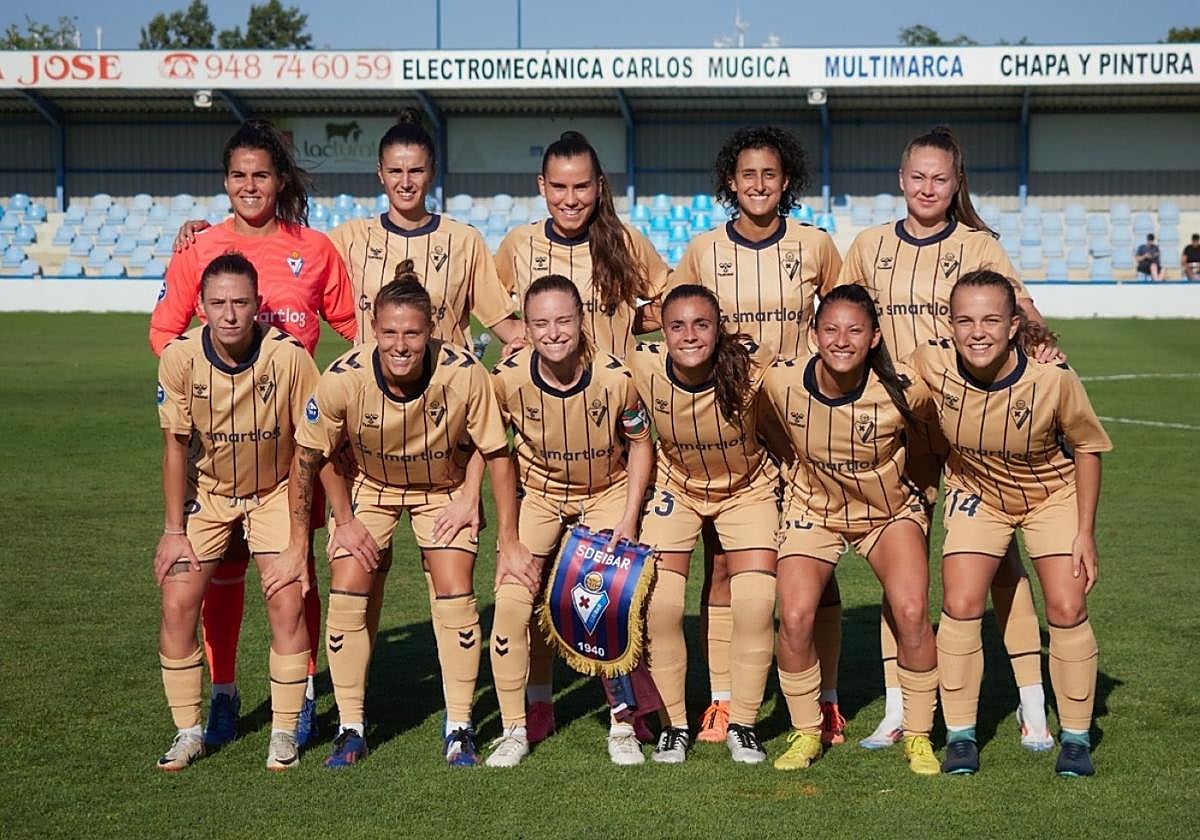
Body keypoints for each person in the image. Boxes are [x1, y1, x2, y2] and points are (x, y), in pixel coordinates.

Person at [838, 126, 1058, 751]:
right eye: (918, 177)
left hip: (970, 433)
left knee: (999, 569)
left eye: (941, 177)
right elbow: (841, 320)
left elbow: (1024, 314)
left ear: (956, 183)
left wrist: (1048, 353)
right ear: (901, 180)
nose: (928, 187)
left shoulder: (979, 244)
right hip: (889, 434)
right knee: (902, 575)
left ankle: (1032, 701)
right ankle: (901, 707)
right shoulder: (870, 245)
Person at [150, 119, 356, 751]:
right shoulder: (200, 246)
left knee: (295, 574)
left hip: (294, 444)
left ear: (279, 179)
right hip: (218, 450)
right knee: (219, 574)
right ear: (225, 180)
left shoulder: (314, 248)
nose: (249, 185)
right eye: (238, 175)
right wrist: (208, 390)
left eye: (260, 174)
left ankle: (304, 691)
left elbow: (356, 330)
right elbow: (166, 333)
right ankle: (223, 694)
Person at [287, 267, 535, 768]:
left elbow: (497, 453)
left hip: (443, 488)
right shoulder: (343, 378)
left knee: (454, 585)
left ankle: (460, 725)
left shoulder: (464, 373)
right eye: (391, 333)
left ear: (431, 332)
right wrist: (340, 521)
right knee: (348, 581)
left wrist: (496, 528)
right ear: (374, 331)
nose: (401, 345)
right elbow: (311, 456)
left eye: (413, 333)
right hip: (369, 488)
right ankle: (351, 727)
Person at [493, 130, 670, 740]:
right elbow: (487, 307)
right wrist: (518, 341)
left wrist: (633, 320)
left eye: (582, 187)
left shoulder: (623, 243)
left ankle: (628, 707)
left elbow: (667, 301)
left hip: (615, 441)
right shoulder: (517, 245)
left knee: (609, 585)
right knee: (538, 584)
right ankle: (538, 702)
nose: (571, 199)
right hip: (547, 440)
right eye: (559, 187)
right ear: (542, 187)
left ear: (599, 187)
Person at [671, 125, 844, 747]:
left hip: (804, 424)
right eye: (747, 175)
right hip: (729, 422)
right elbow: (675, 319)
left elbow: (845, 316)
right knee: (721, 563)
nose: (759, 185)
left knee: (815, 564)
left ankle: (824, 699)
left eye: (770, 174)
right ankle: (721, 699)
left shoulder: (817, 246)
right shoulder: (701, 250)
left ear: (787, 181)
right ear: (729, 182)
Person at [909, 269, 1111, 777]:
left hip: (1051, 495)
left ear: (1015, 325)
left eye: (992, 320)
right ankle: (959, 734)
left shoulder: (1052, 378)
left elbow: (1087, 447)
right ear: (949, 325)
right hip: (978, 493)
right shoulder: (931, 364)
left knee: (1066, 605)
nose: (978, 332)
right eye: (966, 320)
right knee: (960, 601)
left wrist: (1084, 533)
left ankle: (1076, 736)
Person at [761, 284, 940, 775]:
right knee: (795, 617)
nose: (842, 340)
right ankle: (805, 732)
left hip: (886, 513)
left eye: (855, 330)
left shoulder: (905, 388)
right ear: (814, 335)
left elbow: (935, 433)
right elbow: (762, 422)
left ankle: (919, 734)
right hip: (812, 510)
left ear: (875, 337)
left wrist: (921, 493)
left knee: (911, 610)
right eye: (831, 329)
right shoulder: (781, 381)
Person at [153, 253, 318, 771]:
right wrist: (172, 531)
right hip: (209, 494)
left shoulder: (289, 357)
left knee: (287, 600)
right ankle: (188, 730)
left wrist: (299, 540)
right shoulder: (179, 359)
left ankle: (285, 731)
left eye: (240, 302)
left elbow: (312, 449)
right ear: (200, 307)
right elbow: (176, 446)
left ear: (258, 306)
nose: (229, 314)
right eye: (218, 303)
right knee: (178, 600)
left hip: (274, 491)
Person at [486, 275, 655, 767]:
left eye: (563, 320)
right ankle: (517, 724)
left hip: (605, 493)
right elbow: (493, 449)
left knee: (607, 605)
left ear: (581, 321)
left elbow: (642, 442)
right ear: (527, 326)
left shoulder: (618, 378)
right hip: (539, 497)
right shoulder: (507, 378)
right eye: (540, 323)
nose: (553, 332)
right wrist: (508, 537)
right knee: (513, 605)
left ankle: (623, 723)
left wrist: (628, 515)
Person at [630, 284, 779, 765]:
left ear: (719, 329)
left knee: (756, 602)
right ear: (663, 331)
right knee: (661, 606)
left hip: (747, 491)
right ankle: (674, 725)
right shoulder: (642, 366)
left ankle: (743, 723)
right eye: (677, 326)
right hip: (677, 490)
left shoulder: (756, 371)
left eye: (702, 324)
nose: (689, 336)